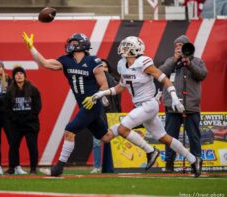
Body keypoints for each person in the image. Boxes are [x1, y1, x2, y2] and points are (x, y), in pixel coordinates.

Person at [22, 32, 158, 177]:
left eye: (74, 43)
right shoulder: (66, 60)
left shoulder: (93, 62)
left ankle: (58, 168)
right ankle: (145, 146)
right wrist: (32, 48)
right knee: (105, 137)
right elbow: (44, 63)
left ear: (82, 45)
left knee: (69, 131)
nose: (70, 45)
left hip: (92, 105)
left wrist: (93, 98)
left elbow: (104, 86)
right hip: (83, 105)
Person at [82, 36, 203, 177]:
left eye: (127, 46)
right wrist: (102, 93)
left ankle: (151, 151)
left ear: (136, 49)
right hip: (141, 106)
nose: (124, 48)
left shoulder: (144, 62)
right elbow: (120, 87)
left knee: (122, 129)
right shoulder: (122, 64)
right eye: (124, 45)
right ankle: (194, 160)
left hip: (149, 104)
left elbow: (164, 79)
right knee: (163, 137)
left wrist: (175, 99)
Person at [159, 35, 208, 173]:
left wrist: (189, 63)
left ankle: (196, 163)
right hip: (172, 107)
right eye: (177, 45)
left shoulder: (197, 61)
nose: (179, 48)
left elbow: (202, 75)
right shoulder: (170, 61)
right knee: (170, 137)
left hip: (191, 107)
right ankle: (169, 164)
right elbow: (160, 74)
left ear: (188, 47)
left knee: (194, 136)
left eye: (182, 45)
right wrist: (175, 60)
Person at [5, 66, 42, 175]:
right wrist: (15, 119)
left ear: (25, 76)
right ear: (14, 77)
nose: (19, 75)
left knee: (32, 146)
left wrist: (27, 118)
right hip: (16, 124)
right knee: (13, 146)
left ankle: (33, 169)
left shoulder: (33, 89)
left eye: (21, 73)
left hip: (31, 124)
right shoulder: (10, 91)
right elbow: (7, 108)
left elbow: (37, 107)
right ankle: (12, 168)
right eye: (16, 74)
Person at [91, 59, 121, 174]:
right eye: (101, 67)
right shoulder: (93, 84)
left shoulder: (115, 83)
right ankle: (97, 166)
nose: (103, 69)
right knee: (97, 142)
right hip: (98, 116)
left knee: (112, 142)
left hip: (112, 115)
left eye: (105, 67)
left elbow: (117, 101)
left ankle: (112, 166)